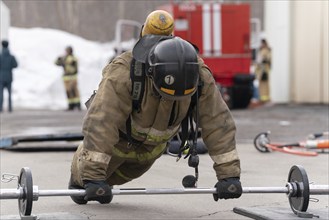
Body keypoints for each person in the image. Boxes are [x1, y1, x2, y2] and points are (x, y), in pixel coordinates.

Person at [69, 10, 242, 205]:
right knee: (84, 184)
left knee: (111, 181)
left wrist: (229, 175)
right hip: (117, 145)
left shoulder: (196, 72)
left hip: (151, 152)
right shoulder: (124, 72)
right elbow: (102, 121)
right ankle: (79, 177)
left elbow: (217, 121)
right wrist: (92, 176)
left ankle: (99, 179)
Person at [55, 46, 81, 111]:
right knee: (68, 91)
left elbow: (73, 65)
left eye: (67, 51)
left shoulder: (73, 58)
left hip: (72, 77)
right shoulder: (65, 58)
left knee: (74, 91)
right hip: (66, 77)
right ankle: (70, 105)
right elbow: (57, 63)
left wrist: (65, 61)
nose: (66, 52)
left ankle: (78, 105)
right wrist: (59, 59)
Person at [0, 40, 18, 113]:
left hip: (1, 77)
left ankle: (0, 108)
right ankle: (10, 108)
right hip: (9, 77)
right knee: (9, 94)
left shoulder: (0, 56)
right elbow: (15, 65)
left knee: (1, 94)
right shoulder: (11, 56)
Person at [255, 39, 272, 103]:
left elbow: (262, 60)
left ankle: (264, 99)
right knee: (262, 85)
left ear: (264, 44)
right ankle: (263, 98)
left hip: (264, 70)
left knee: (264, 85)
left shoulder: (265, 51)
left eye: (262, 43)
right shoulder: (264, 50)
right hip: (263, 70)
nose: (261, 45)